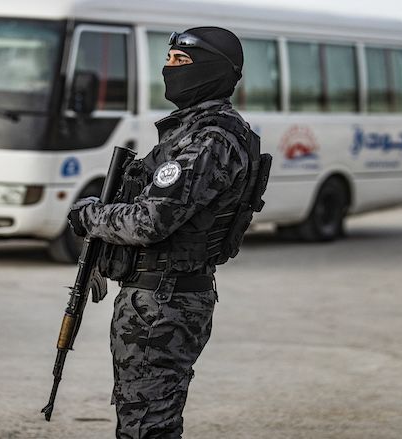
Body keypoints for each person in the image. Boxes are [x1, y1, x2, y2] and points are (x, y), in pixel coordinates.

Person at [69, 26, 261, 439]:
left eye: (181, 62)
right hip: (156, 298)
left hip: (164, 303)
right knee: (143, 419)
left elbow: (151, 221)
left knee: (147, 427)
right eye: (169, 60)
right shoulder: (192, 131)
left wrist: (90, 216)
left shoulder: (211, 139)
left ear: (209, 70)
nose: (168, 69)